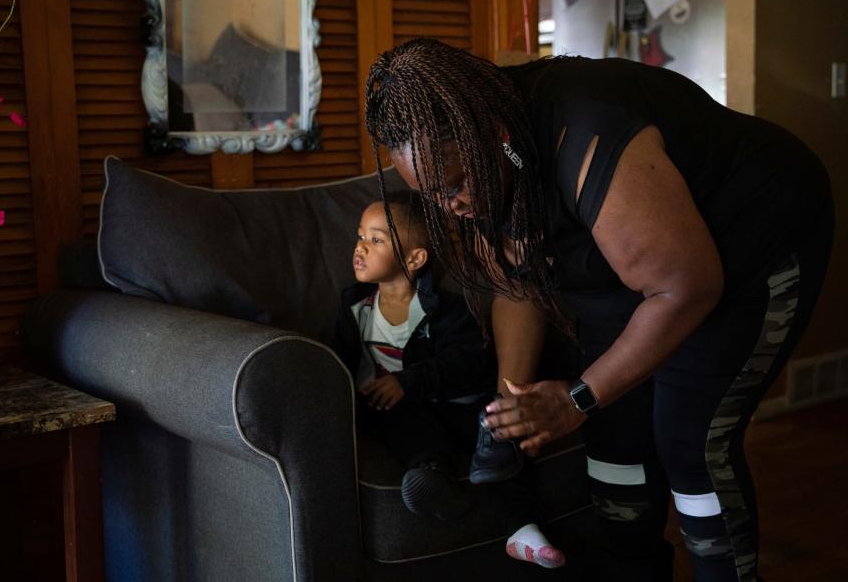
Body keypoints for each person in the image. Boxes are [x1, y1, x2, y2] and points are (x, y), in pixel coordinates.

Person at [363, 38, 833, 581]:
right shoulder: (481, 168)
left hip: (753, 239)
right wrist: (507, 409)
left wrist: (577, 398)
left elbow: (683, 289)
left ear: (496, 137)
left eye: (454, 187)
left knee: (691, 442)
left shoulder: (584, 133)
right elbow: (517, 286)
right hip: (641, 271)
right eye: (433, 196)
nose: (452, 207)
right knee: (614, 441)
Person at [331, 191, 565, 568]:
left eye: (376, 240)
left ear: (414, 258)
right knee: (402, 423)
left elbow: (468, 362)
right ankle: (437, 483)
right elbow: (340, 359)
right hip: (406, 412)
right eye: (360, 236)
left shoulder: (446, 310)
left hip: (460, 402)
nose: (361, 248)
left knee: (502, 431)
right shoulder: (355, 307)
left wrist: (409, 380)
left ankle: (523, 528)